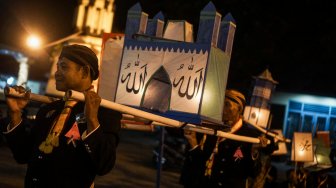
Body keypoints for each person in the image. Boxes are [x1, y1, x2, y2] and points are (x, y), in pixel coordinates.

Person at [2, 44, 122, 188]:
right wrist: (15, 113)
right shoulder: (48, 109)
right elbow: (23, 155)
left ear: (84, 72)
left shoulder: (106, 112)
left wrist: (92, 119)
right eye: (57, 67)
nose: (57, 73)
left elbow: (104, 165)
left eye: (64, 67)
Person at [180, 89, 276, 188]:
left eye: (227, 105)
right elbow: (200, 163)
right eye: (221, 104)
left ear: (239, 109)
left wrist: (253, 152)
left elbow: (253, 173)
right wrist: (193, 142)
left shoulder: (250, 136)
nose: (222, 109)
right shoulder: (211, 129)